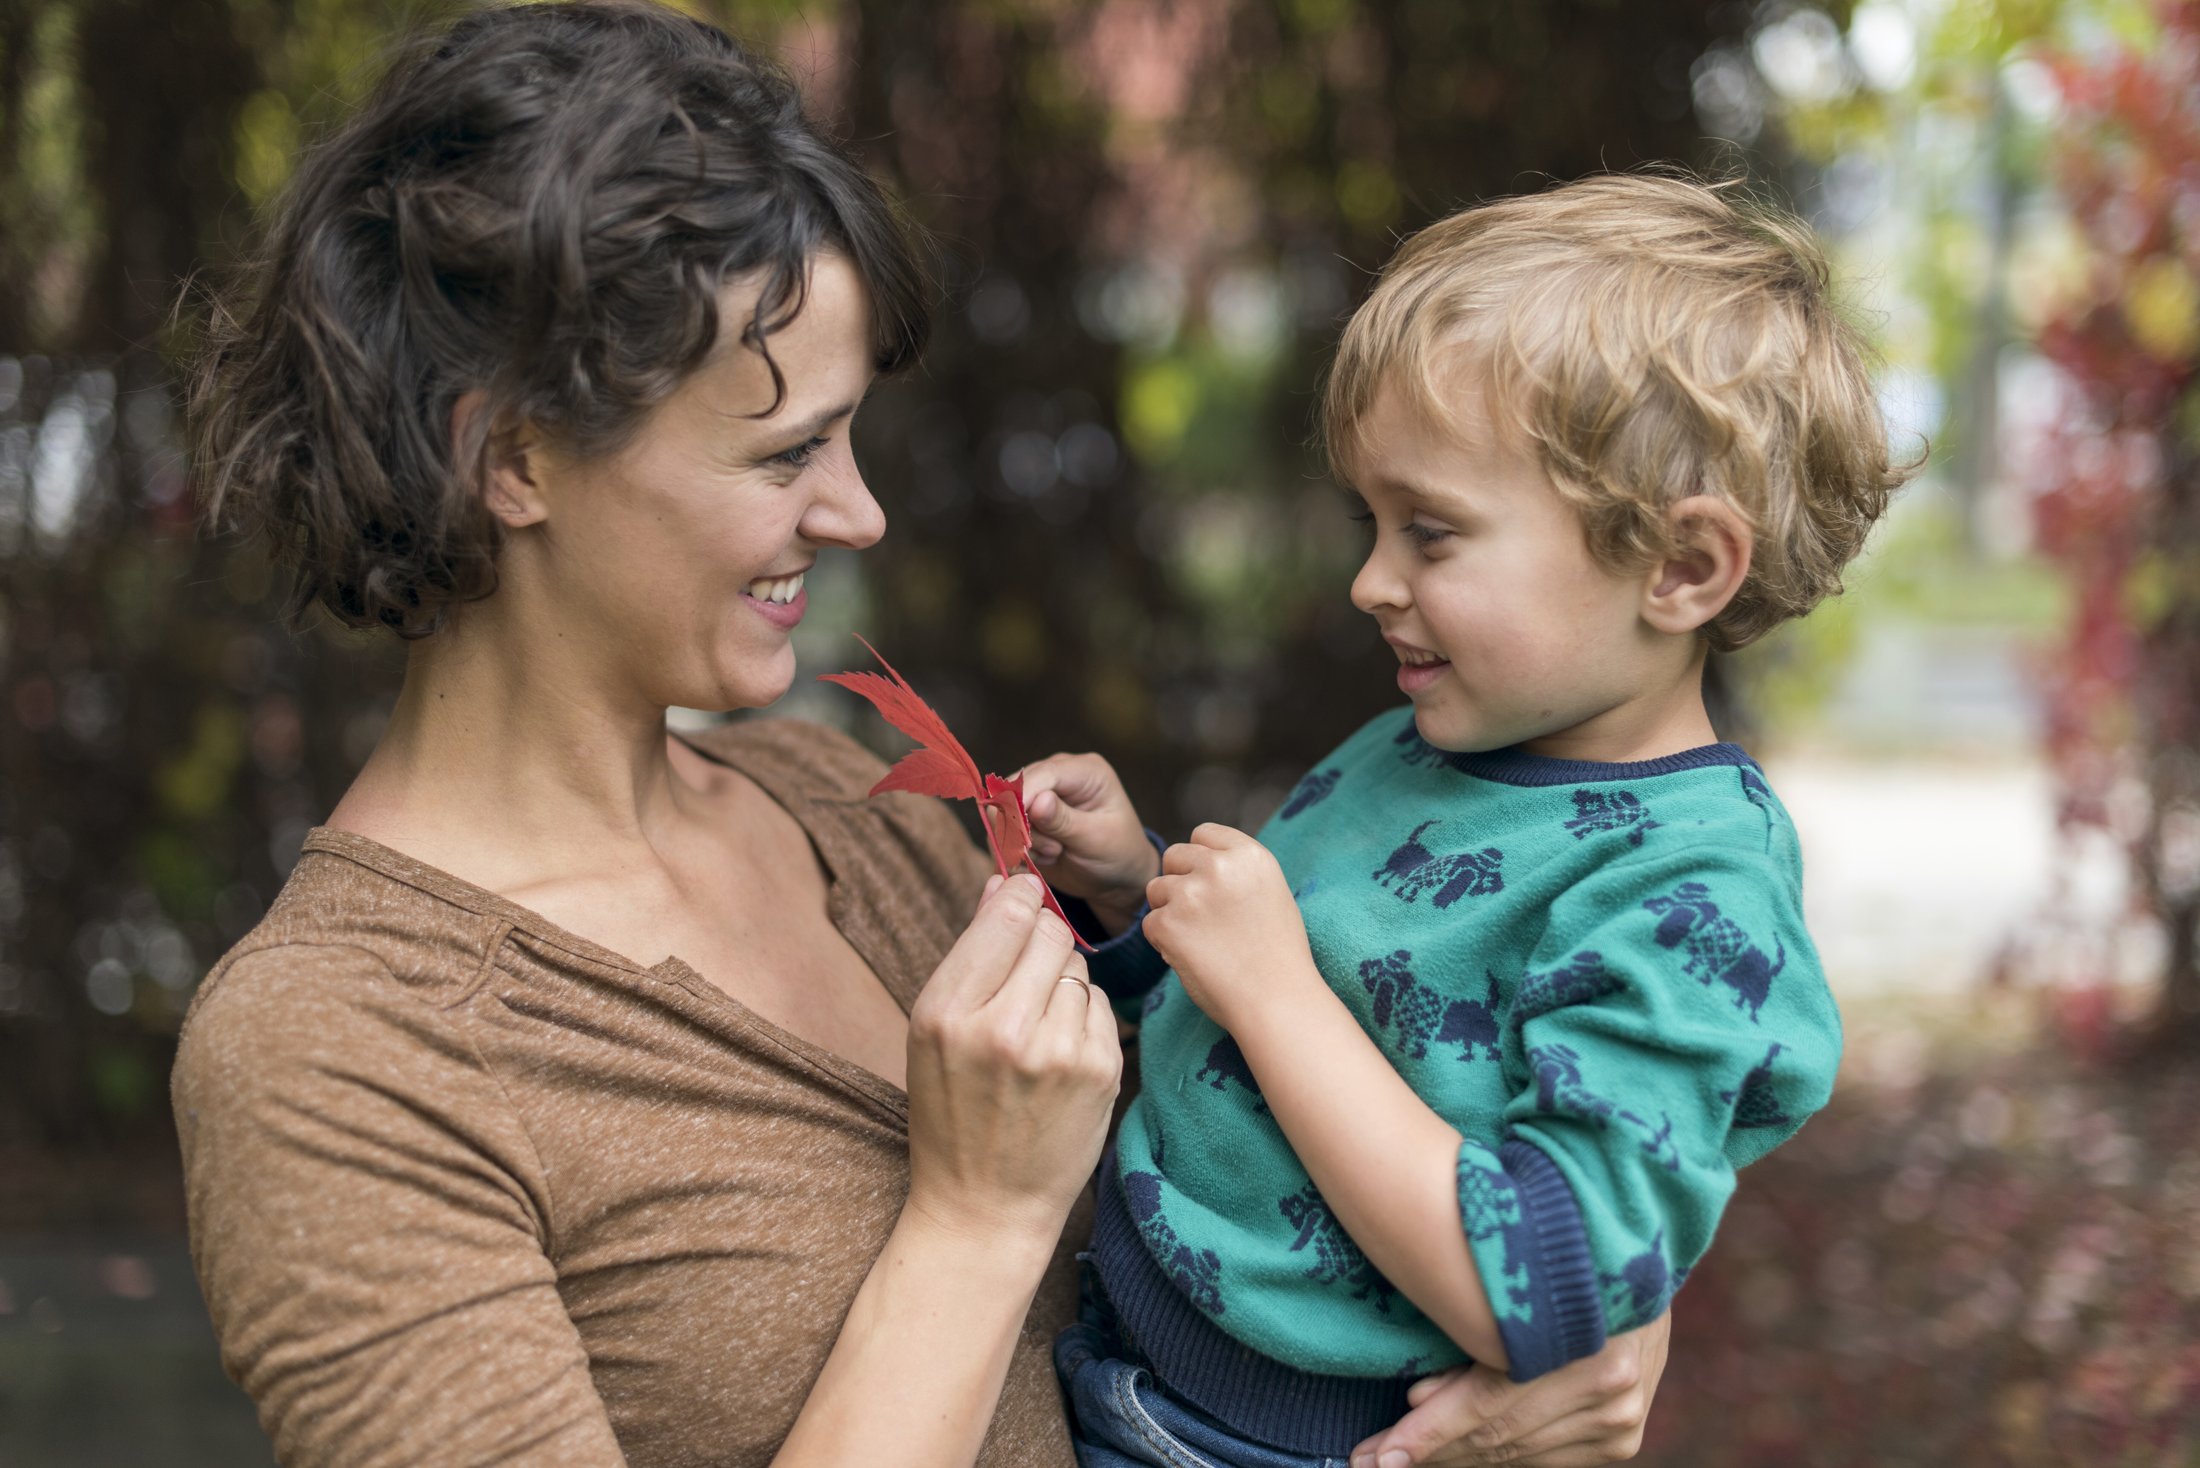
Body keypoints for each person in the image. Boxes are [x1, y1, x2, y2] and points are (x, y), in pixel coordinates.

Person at [173, 3, 1673, 1466]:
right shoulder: (338, 1054)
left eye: (848, 434)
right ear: (513, 456)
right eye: (784, 453)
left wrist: (1590, 1353)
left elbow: (1311, 1187)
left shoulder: (853, 803)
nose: (858, 512)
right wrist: (974, 1225)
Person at [1019, 173, 1911, 1468]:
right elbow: (1293, 1022)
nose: (1371, 581)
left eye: (1432, 533)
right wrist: (1136, 891)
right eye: (1370, 523)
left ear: (1681, 566)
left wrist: (1272, 990)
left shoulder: (1691, 896)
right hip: (1130, 1359)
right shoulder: (1431, 743)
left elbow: (1542, 1281)